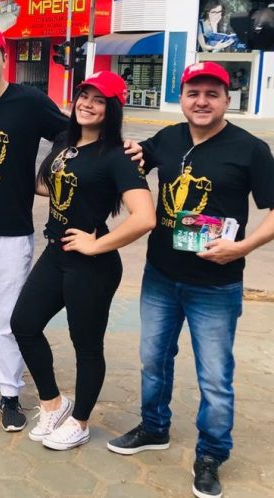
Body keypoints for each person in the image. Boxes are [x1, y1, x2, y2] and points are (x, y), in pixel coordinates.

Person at [0, 26, 142, 433]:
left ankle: (10, 392)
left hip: (12, 231)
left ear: (4, 58)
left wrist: (124, 147)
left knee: (9, 319)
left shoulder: (29, 101)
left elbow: (74, 134)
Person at [106, 62, 274, 498]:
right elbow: (134, 158)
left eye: (211, 94)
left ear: (227, 100)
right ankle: (154, 427)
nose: (201, 102)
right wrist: (128, 150)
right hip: (160, 276)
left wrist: (242, 247)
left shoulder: (251, 149)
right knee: (152, 359)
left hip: (216, 285)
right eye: (193, 93)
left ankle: (212, 454)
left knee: (215, 376)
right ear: (181, 98)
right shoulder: (169, 138)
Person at [10, 71, 155, 450]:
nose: (87, 104)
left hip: (92, 265)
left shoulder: (118, 156)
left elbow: (144, 217)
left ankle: (80, 422)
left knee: (86, 346)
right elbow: (49, 185)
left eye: (99, 100)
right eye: (84, 96)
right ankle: (53, 403)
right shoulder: (66, 142)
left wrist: (96, 245)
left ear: (113, 109)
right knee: (23, 324)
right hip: (55, 252)